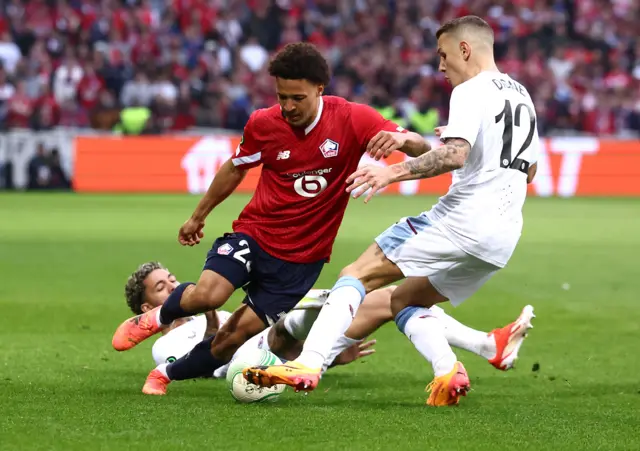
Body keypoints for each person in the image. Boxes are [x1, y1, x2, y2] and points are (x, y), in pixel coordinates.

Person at [244, 16, 539, 407]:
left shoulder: (470, 90)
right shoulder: (521, 95)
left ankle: (309, 363)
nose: (440, 66)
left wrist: (390, 172)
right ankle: (468, 358)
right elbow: (528, 169)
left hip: (462, 221)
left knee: (356, 274)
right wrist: (427, 144)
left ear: (464, 50)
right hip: (501, 238)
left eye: (443, 55)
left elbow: (455, 154)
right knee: (403, 301)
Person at [111, 42, 432, 395]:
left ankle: (163, 377)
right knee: (209, 295)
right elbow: (235, 168)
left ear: (319, 89)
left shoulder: (353, 119)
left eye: (298, 98)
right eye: (282, 97)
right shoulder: (264, 123)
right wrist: (197, 216)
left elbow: (421, 148)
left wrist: (404, 140)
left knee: (231, 338)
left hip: (301, 260)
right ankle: (156, 317)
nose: (288, 107)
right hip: (256, 235)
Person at [121, 261, 534, 388]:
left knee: (394, 299)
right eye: (163, 287)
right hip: (245, 364)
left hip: (281, 347)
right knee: (346, 295)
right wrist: (211, 312)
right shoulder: (163, 348)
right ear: (146, 306)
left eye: (173, 280)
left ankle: (486, 347)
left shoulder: (224, 312)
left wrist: (332, 355)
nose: (175, 287)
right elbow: (211, 356)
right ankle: (476, 353)